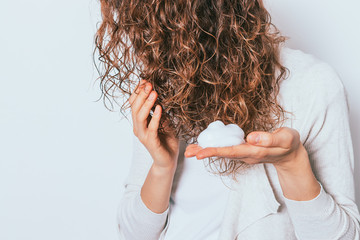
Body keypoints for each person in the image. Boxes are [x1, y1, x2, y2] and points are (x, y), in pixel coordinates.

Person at [95, 0, 360, 239]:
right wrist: (162, 165)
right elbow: (132, 234)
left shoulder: (313, 84)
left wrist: (291, 163)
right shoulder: (166, 81)